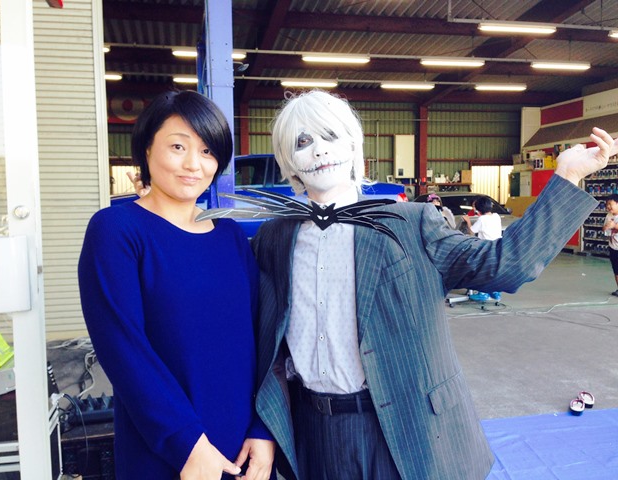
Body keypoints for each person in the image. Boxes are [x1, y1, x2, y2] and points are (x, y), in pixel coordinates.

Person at [246, 90, 617, 480]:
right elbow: (261, 340)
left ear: (354, 145)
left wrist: (567, 176)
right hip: (314, 433)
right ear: (288, 160)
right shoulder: (274, 239)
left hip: (406, 431)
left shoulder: (411, 222)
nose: (320, 150)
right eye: (303, 142)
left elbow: (506, 265)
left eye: (330, 136)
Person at [78, 90, 274, 480]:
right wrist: (187, 445)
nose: (193, 164)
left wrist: (263, 429)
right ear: (146, 150)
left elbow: (260, 339)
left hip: (244, 452)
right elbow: (123, 350)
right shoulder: (117, 231)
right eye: (178, 146)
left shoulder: (230, 237)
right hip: (168, 452)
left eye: (207, 151)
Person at [462, 196, 503, 302]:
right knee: (493, 271)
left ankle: (483, 294)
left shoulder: (482, 219)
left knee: (481, 271)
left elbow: (472, 231)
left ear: (478, 209)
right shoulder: (496, 216)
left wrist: (468, 221)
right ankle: (495, 292)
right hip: (498, 247)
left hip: (486, 249)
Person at [602, 193, 618, 296]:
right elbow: (605, 230)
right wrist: (605, 228)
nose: (608, 206)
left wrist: (614, 226)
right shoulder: (608, 216)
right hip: (613, 247)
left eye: (610, 204)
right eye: (607, 204)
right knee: (616, 270)